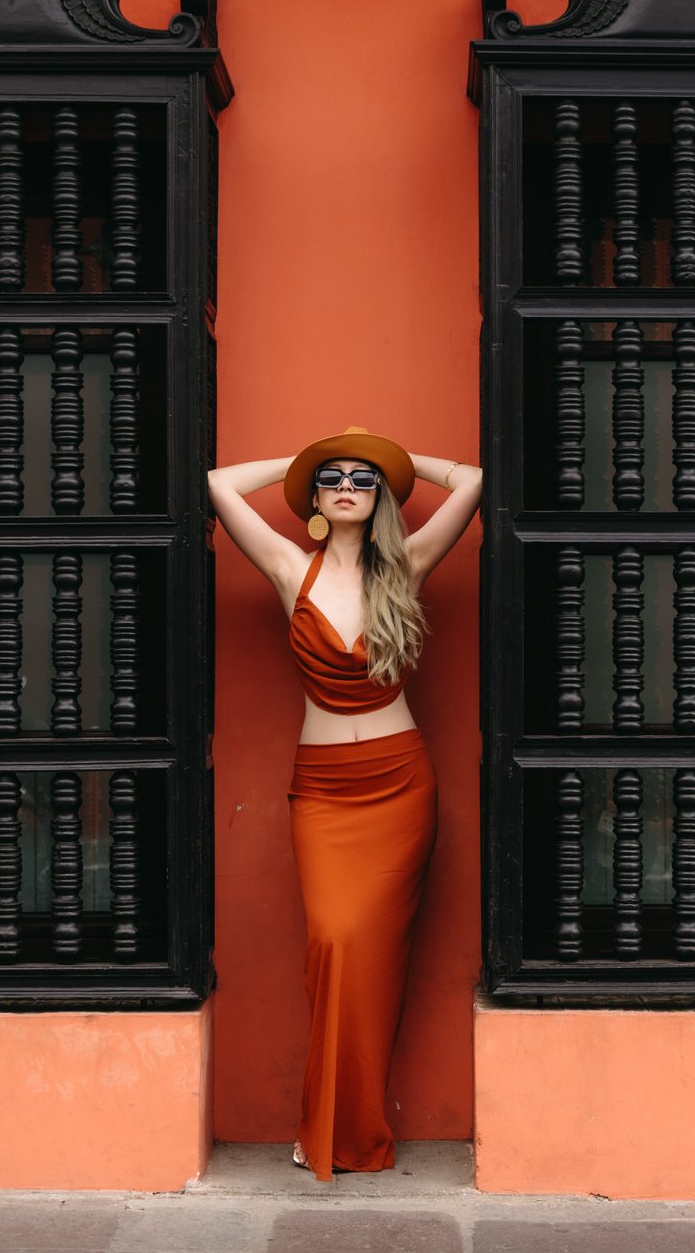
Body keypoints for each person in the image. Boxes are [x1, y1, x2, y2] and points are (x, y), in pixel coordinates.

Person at [205, 425, 485, 1180]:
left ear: (383, 496)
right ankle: (326, 1123)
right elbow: (219, 484)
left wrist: (392, 454)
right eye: (333, 477)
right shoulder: (289, 567)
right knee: (332, 944)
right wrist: (304, 457)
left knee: (375, 962)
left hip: (399, 785)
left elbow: (474, 481)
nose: (349, 485)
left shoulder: (408, 565)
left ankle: (354, 1129)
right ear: (316, 495)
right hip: (326, 791)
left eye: (365, 479)